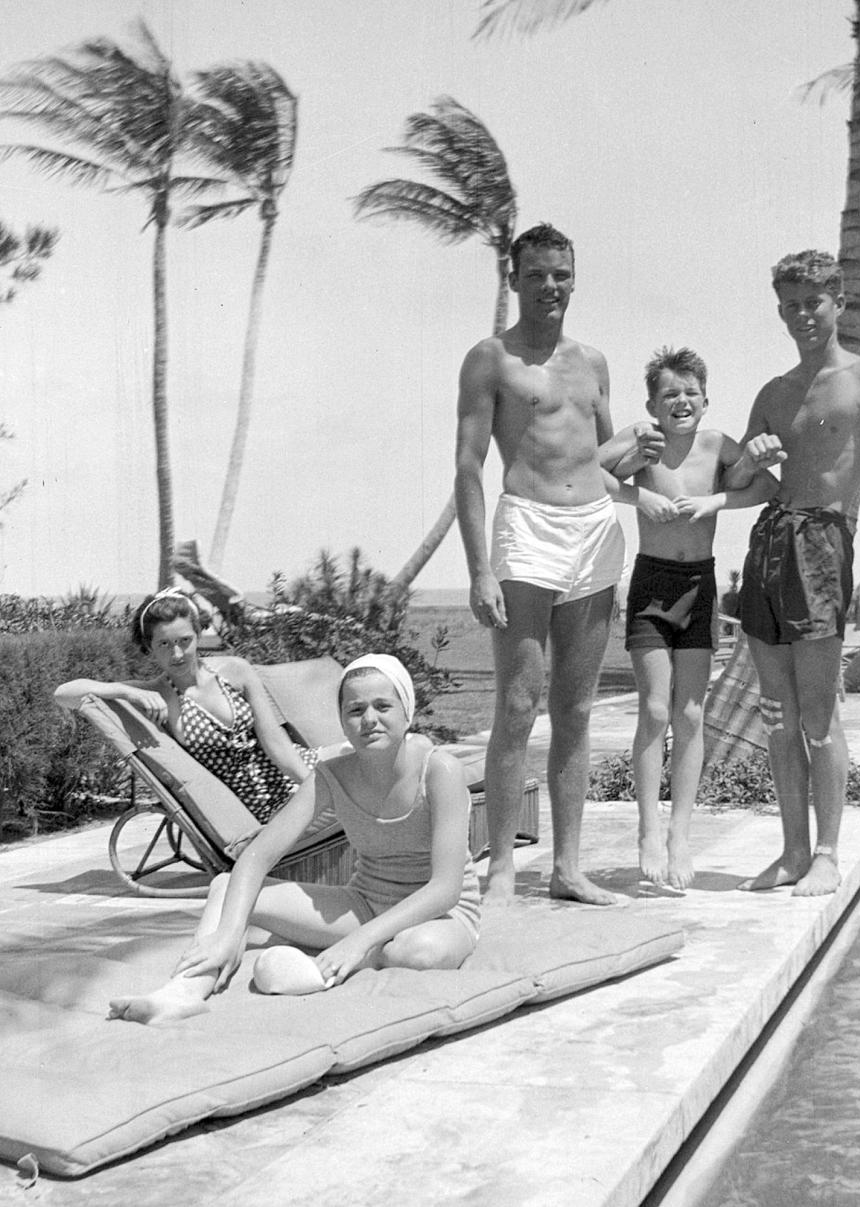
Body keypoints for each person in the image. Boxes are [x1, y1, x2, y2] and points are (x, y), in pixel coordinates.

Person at [455, 222, 661, 906]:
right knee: (518, 705)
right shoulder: (491, 359)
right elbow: (467, 467)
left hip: (595, 534)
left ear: (575, 279)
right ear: (514, 279)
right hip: (529, 533)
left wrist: (643, 448)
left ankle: (569, 868)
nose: (551, 286)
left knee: (576, 707)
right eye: (538, 273)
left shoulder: (593, 363)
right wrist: (481, 567)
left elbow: (605, 463)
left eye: (562, 274)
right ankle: (504, 869)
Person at [107, 654, 481, 1024]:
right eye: (355, 710)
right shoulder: (331, 775)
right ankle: (184, 991)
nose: (369, 720)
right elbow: (256, 857)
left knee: (417, 953)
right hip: (366, 903)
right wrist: (228, 933)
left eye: (383, 706)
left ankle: (328, 965)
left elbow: (444, 889)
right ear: (342, 721)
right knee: (225, 888)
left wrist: (358, 941)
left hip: (440, 916)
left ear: (406, 711)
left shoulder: (440, 769)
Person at [726, 250, 860, 896]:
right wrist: (752, 457)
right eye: (792, 304)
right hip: (770, 541)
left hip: (826, 544)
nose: (803, 315)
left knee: (818, 716)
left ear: (839, 304)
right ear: (780, 310)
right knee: (776, 717)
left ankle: (828, 852)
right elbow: (739, 481)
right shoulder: (773, 393)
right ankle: (793, 850)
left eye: (815, 303)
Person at [600, 346, 776, 890]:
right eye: (669, 394)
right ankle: (649, 829)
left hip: (700, 584)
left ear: (705, 399)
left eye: (690, 393)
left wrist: (713, 502)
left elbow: (766, 486)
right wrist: (638, 498)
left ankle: (681, 832)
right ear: (653, 402)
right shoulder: (640, 439)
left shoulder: (717, 444)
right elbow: (588, 471)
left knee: (691, 715)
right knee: (655, 708)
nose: (681, 401)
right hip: (652, 582)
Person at [54, 588, 321, 853]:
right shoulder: (156, 692)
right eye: (164, 644)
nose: (177, 654)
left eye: (184, 640)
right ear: (149, 648)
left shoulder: (236, 670)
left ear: (199, 634)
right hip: (255, 803)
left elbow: (275, 742)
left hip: (294, 773)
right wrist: (127, 691)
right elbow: (63, 694)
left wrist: (315, 788)